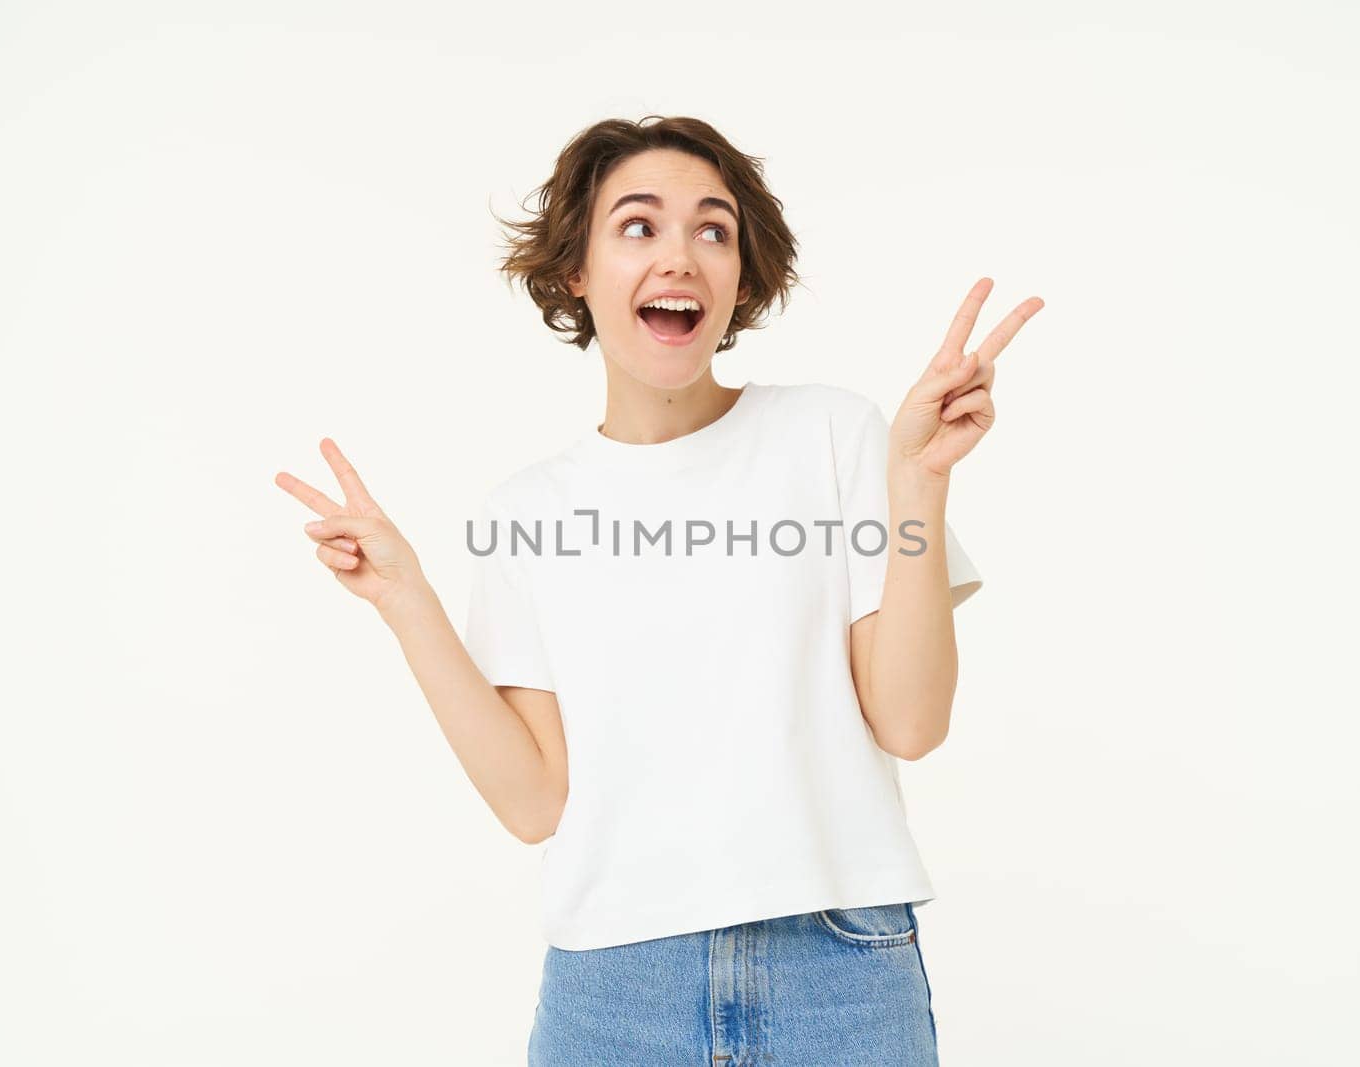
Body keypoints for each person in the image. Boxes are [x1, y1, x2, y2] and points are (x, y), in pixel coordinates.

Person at [275, 115, 1043, 1064]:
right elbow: (532, 803)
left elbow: (912, 722)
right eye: (638, 226)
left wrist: (920, 484)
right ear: (576, 272)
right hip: (614, 993)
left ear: (741, 279)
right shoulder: (529, 510)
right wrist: (405, 600)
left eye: (712, 230)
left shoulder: (838, 438)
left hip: (838, 971)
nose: (680, 254)